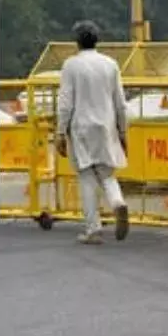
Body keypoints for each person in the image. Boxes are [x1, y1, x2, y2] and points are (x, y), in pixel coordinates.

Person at [56, 20, 130, 245]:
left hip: (81, 128)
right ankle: (118, 202)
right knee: (107, 174)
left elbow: (66, 102)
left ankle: (93, 229)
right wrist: (123, 130)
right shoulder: (111, 64)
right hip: (106, 125)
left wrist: (60, 131)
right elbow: (120, 102)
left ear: (76, 41)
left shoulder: (71, 66)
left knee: (87, 177)